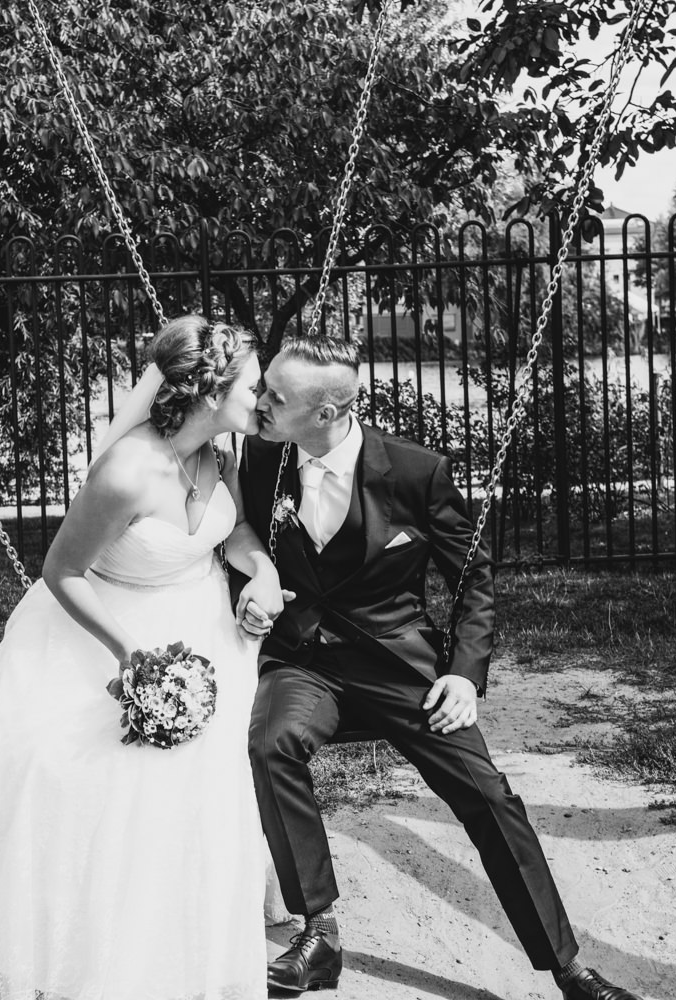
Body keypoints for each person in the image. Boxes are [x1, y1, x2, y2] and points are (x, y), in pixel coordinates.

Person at [237, 335, 645, 1000]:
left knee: (488, 795)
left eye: (274, 397)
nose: (259, 402)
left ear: (326, 413)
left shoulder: (414, 471)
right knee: (269, 743)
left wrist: (463, 672)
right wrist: (254, 584)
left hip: (401, 666)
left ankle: (568, 969)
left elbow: (471, 577)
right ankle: (320, 932)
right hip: (304, 663)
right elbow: (238, 535)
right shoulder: (260, 456)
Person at [0, 315, 285, 1000]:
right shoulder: (127, 471)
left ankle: (171, 958)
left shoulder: (220, 453)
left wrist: (259, 569)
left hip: (202, 635)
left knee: (193, 804)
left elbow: (232, 532)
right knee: (91, 796)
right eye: (253, 386)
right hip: (104, 635)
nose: (262, 397)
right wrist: (132, 655)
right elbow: (62, 570)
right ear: (210, 391)